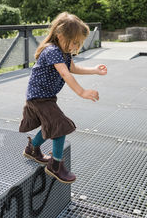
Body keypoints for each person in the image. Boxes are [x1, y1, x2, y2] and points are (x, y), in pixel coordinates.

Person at [19, 12, 107, 184]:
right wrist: (82, 92)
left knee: (50, 125)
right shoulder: (52, 51)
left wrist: (94, 69)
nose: (75, 46)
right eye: (74, 42)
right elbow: (65, 74)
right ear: (59, 35)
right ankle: (55, 165)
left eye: (79, 43)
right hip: (38, 98)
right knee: (60, 125)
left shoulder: (63, 52)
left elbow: (73, 68)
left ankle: (32, 149)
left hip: (46, 97)